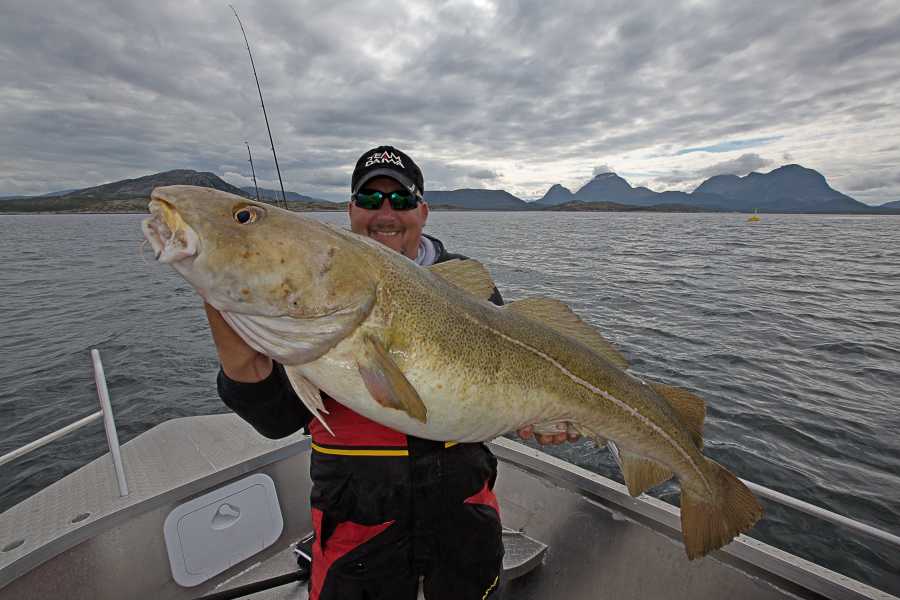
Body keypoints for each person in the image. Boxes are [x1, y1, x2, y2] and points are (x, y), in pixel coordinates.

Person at [204, 146, 575, 600]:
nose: (385, 213)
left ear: (422, 211)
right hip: (358, 536)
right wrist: (232, 336)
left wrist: (541, 416)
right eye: (369, 199)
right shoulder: (309, 293)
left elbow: (502, 390)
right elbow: (277, 419)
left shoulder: (470, 291)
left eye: (400, 200)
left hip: (465, 530)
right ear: (350, 210)